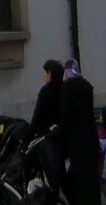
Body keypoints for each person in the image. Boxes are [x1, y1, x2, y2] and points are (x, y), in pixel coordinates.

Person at [58, 57, 101, 205]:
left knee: (79, 181)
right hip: (91, 139)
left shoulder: (67, 88)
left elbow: (66, 117)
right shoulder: (86, 85)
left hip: (77, 142)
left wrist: (58, 134)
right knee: (91, 181)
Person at [29, 59, 65, 195]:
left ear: (50, 74)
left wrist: (28, 136)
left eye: (45, 72)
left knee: (45, 168)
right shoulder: (64, 89)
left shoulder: (45, 91)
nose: (43, 75)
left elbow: (37, 116)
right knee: (57, 170)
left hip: (45, 138)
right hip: (59, 136)